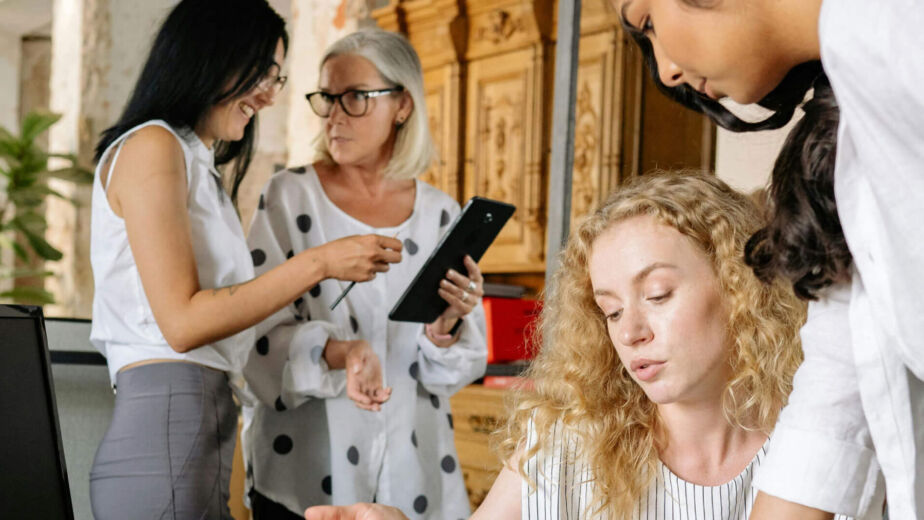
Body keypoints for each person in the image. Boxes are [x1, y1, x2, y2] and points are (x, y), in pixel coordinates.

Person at [304, 173, 882, 519]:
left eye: (657, 294)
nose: (630, 333)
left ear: (738, 287)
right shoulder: (566, 441)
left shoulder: (825, 439)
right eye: (610, 310)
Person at [87, 2, 402, 518]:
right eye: (261, 73)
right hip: (166, 431)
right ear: (210, 56)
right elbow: (183, 323)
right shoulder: (153, 145)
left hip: (198, 431)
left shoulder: (195, 163)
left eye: (276, 79)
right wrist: (319, 264)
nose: (269, 95)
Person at [616, 0, 922, 517]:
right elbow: (836, 390)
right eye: (609, 309)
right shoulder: (857, 99)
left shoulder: (901, 38)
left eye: (648, 22)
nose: (666, 70)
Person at [242, 28, 487, 520]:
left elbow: (451, 372)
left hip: (413, 477)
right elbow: (255, 340)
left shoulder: (441, 214)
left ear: (403, 105)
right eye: (328, 97)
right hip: (302, 477)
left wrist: (445, 326)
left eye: (355, 97)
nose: (334, 115)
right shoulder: (289, 197)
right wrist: (342, 353)